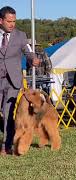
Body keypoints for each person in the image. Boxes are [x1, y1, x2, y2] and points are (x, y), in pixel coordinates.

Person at [0, 6, 40, 155]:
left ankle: (6, 145)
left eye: (14, 21)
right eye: (9, 21)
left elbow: (28, 51)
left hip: (13, 80)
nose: (12, 24)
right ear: (1, 20)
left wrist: (33, 59)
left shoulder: (21, 35)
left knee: (8, 112)